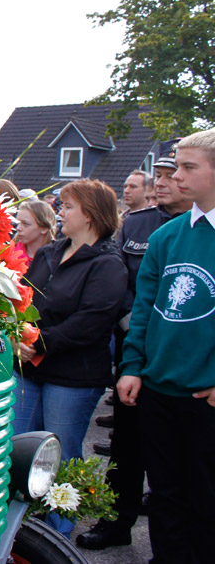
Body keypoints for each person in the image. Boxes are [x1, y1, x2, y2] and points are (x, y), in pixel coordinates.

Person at [78, 142, 190, 550]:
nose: (163, 183)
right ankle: (115, 523)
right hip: (134, 350)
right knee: (126, 449)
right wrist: (134, 329)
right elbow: (120, 282)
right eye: (158, 176)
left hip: (181, 358)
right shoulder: (138, 224)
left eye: (170, 175)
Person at [116, 128, 215, 564]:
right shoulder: (166, 237)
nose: (177, 176)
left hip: (206, 396)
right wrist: (132, 366)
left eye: (190, 167)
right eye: (177, 165)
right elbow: (144, 310)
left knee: (207, 499)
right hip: (158, 390)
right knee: (165, 495)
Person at [13, 179, 126, 538]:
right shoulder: (48, 254)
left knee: (58, 458)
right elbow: (24, 299)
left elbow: (92, 321)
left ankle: (56, 536)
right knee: (16, 449)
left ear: (91, 215)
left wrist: (40, 342)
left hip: (72, 376)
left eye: (69, 206)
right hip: (29, 368)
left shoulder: (108, 264)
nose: (61, 211)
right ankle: (18, 529)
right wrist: (20, 334)